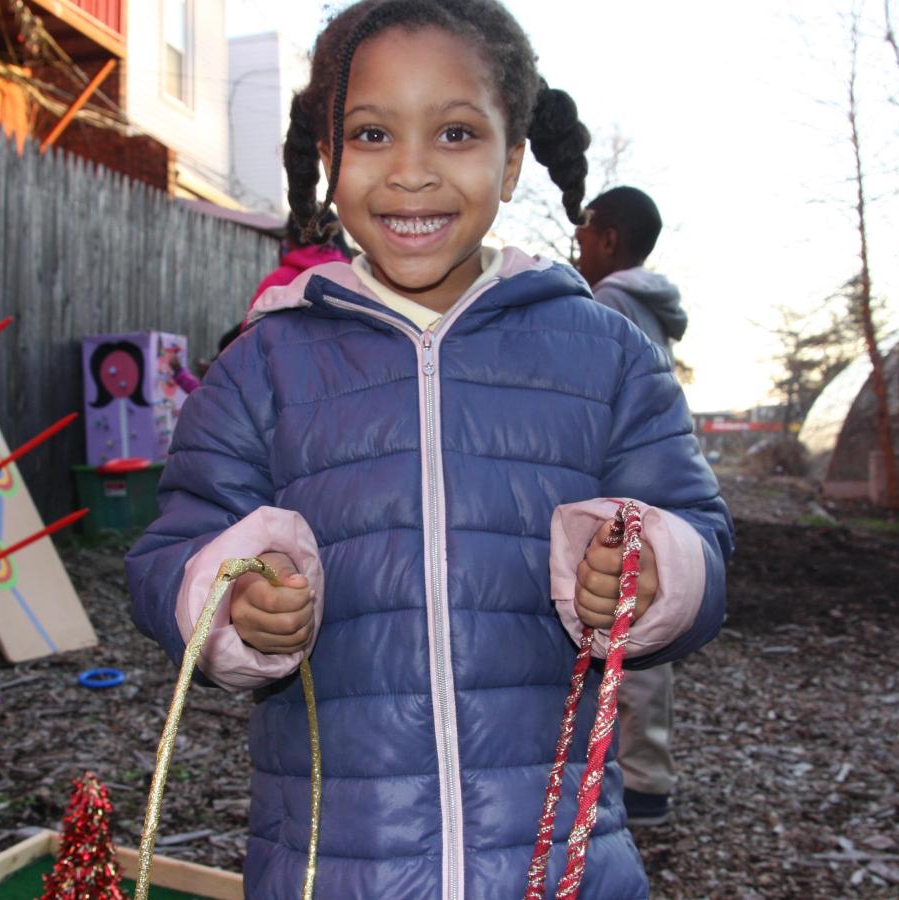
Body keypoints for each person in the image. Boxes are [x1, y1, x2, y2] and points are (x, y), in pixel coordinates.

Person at [125, 2, 731, 897]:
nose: (411, 172)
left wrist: (649, 571)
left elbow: (701, 542)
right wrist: (230, 601)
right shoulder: (264, 366)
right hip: (333, 869)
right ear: (330, 160)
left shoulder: (607, 357)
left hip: (559, 870)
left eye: (454, 131)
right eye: (372, 133)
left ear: (511, 157)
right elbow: (169, 553)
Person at [573, 185, 687, 828]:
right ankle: (648, 773)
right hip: (655, 475)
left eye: (587, 230)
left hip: (625, 483)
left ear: (611, 238)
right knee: (646, 624)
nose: (580, 243)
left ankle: (640, 782)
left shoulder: (609, 303)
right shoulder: (650, 305)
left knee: (626, 623)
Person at [573, 186, 688, 361]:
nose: (578, 261)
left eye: (581, 243)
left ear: (609, 242)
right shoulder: (655, 312)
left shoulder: (606, 302)